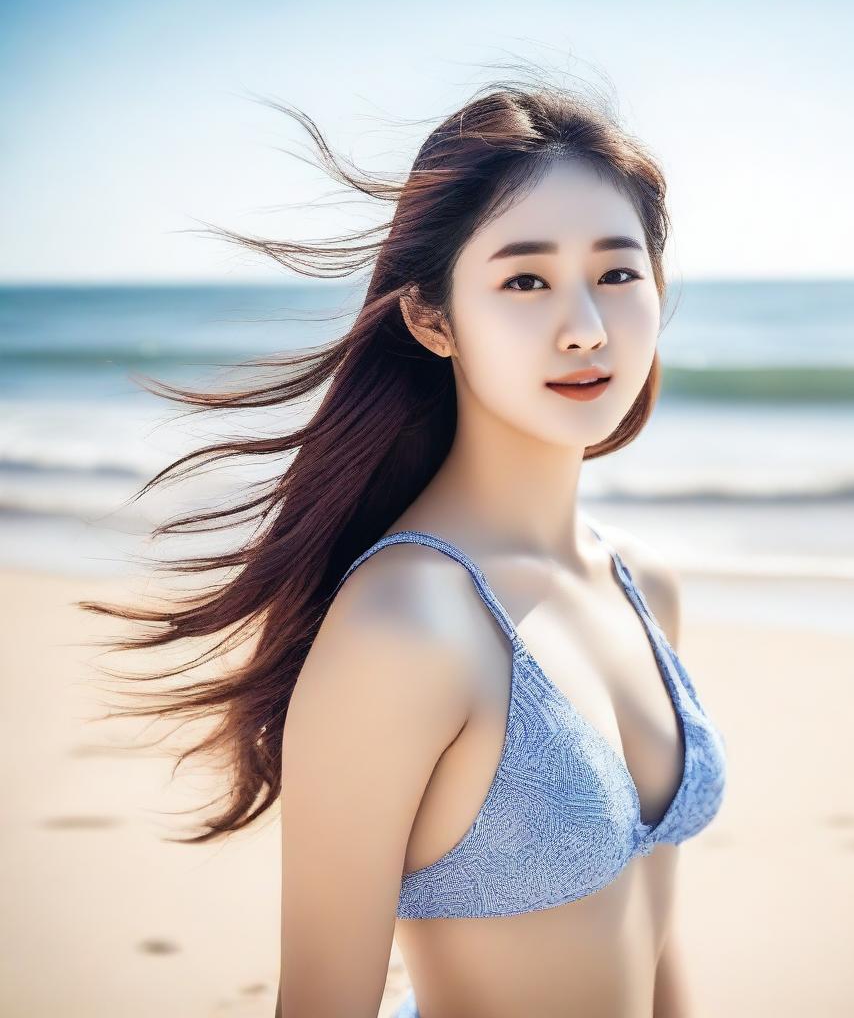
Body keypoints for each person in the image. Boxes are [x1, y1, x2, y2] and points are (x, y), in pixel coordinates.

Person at [82, 69, 727, 1018]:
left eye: (618, 274)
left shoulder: (644, 585)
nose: (585, 328)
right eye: (525, 280)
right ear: (432, 318)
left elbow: (657, 939)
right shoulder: (406, 621)